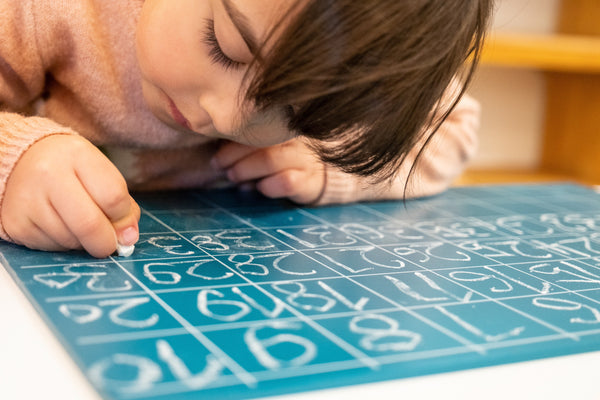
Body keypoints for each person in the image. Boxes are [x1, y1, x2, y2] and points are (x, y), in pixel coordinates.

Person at [0, 0, 493, 258]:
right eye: (224, 46)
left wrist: (334, 158)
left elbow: (452, 125)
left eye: (290, 113)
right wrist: (14, 160)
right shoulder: (51, 9)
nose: (229, 119)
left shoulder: (366, 50)